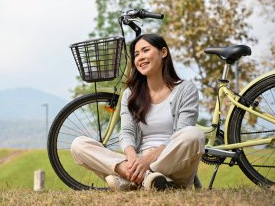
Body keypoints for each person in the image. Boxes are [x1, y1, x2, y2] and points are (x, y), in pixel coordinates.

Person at [71, 34, 205, 190]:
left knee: (194, 135)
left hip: (174, 162)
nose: (140, 57)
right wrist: (133, 158)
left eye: (145, 50)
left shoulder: (185, 90)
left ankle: (132, 179)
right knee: (78, 145)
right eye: (136, 54)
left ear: (163, 53)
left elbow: (181, 131)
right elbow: (126, 131)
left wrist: (147, 161)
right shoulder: (130, 94)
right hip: (138, 161)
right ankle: (147, 179)